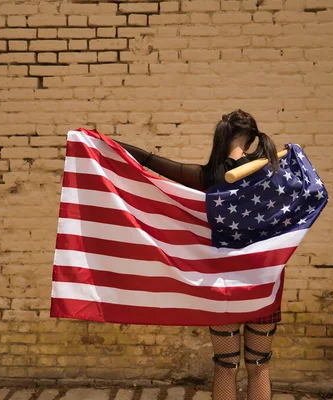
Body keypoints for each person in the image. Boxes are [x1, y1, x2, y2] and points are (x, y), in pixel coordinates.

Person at [115, 109, 281, 400]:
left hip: (224, 282)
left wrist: (106, 144)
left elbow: (153, 162)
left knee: (225, 365)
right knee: (259, 365)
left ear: (221, 136)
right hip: (263, 279)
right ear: (253, 137)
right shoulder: (271, 171)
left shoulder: (207, 176)